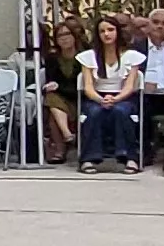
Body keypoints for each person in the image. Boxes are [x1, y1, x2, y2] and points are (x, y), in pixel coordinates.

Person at [77, 16, 145, 173]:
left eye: (110, 30)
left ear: (118, 32)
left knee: (121, 111)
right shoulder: (89, 56)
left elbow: (129, 86)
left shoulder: (131, 56)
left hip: (123, 97)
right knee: (93, 112)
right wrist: (101, 99)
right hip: (96, 97)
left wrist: (116, 99)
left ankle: (129, 158)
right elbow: (88, 87)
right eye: (102, 31)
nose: (106, 34)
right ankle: (88, 159)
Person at [132, 8, 164, 166]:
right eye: (156, 22)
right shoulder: (134, 49)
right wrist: (140, 85)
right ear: (147, 25)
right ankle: (146, 151)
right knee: (140, 104)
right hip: (145, 95)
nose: (160, 26)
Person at [39, 21, 83, 164]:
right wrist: (58, 87)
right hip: (61, 99)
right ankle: (68, 135)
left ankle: (60, 149)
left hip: (80, 97)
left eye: (67, 34)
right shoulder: (52, 58)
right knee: (51, 99)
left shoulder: (84, 56)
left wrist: (59, 87)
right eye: (59, 36)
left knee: (53, 104)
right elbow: (51, 84)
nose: (64, 38)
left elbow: (79, 86)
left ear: (74, 36)